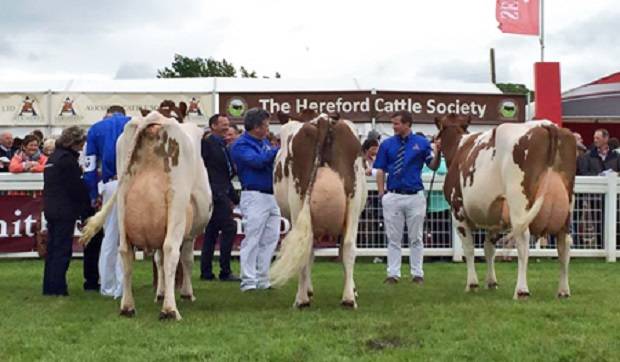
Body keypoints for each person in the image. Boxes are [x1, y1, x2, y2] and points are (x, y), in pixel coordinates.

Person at [373, 111, 440, 284]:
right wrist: (381, 193)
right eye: (393, 123)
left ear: (407, 124)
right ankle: (393, 273)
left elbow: (432, 165)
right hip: (393, 194)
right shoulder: (387, 144)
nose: (394, 127)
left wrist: (438, 152)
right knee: (393, 238)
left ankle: (417, 273)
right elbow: (380, 169)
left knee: (416, 237)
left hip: (414, 195)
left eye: (397, 123)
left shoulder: (422, 143)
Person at [230, 108, 280, 292]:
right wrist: (278, 150)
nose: (268, 128)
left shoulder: (264, 142)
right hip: (254, 195)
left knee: (271, 237)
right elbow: (257, 162)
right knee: (252, 238)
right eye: (265, 125)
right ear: (257, 127)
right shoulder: (241, 145)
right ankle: (248, 280)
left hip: (271, 195)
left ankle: (262, 278)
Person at [84, 105, 131, 298]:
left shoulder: (96, 128)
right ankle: (124, 284)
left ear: (107, 114)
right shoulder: (133, 123)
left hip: (111, 183)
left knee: (110, 235)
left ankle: (109, 286)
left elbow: (90, 167)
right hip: (136, 182)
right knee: (127, 237)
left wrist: (93, 194)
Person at [42, 126, 89, 296]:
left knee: (53, 249)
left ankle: (49, 286)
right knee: (62, 250)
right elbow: (75, 188)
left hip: (51, 207)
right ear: (74, 142)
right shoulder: (68, 160)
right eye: (81, 143)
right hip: (64, 210)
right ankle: (58, 287)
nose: (83, 146)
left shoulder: (52, 158)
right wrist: (85, 205)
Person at [200, 114, 241, 282]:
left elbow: (225, 173)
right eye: (223, 124)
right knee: (229, 227)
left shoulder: (223, 145)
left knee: (211, 232)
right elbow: (205, 169)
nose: (227, 127)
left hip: (222, 191)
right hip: (215, 193)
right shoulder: (208, 144)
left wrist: (234, 196)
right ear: (213, 126)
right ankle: (225, 270)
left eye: (228, 124)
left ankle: (207, 272)